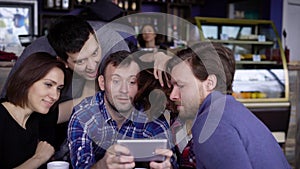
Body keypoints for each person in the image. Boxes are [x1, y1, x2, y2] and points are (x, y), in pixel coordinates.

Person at [166, 42, 291, 169]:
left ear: (210, 83)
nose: (172, 95)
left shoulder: (212, 122)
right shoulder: (232, 109)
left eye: (181, 85)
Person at [68, 50, 174, 169]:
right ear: (102, 83)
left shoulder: (150, 115)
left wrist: (167, 166)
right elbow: (81, 165)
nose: (124, 90)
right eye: (116, 81)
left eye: (132, 82)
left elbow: (171, 160)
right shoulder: (84, 114)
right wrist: (102, 166)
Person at [0, 52, 66, 168]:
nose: (55, 96)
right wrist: (38, 158)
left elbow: (76, 104)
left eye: (59, 88)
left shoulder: (36, 118)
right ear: (27, 80)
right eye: (48, 84)